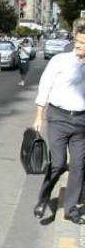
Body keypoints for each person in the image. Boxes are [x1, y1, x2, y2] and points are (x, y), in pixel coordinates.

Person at [32, 18, 85, 223]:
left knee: (79, 166)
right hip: (58, 118)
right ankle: (43, 199)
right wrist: (39, 116)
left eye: (83, 43)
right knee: (59, 162)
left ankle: (71, 210)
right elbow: (44, 87)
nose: (79, 46)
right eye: (78, 41)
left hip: (81, 121)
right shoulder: (60, 61)